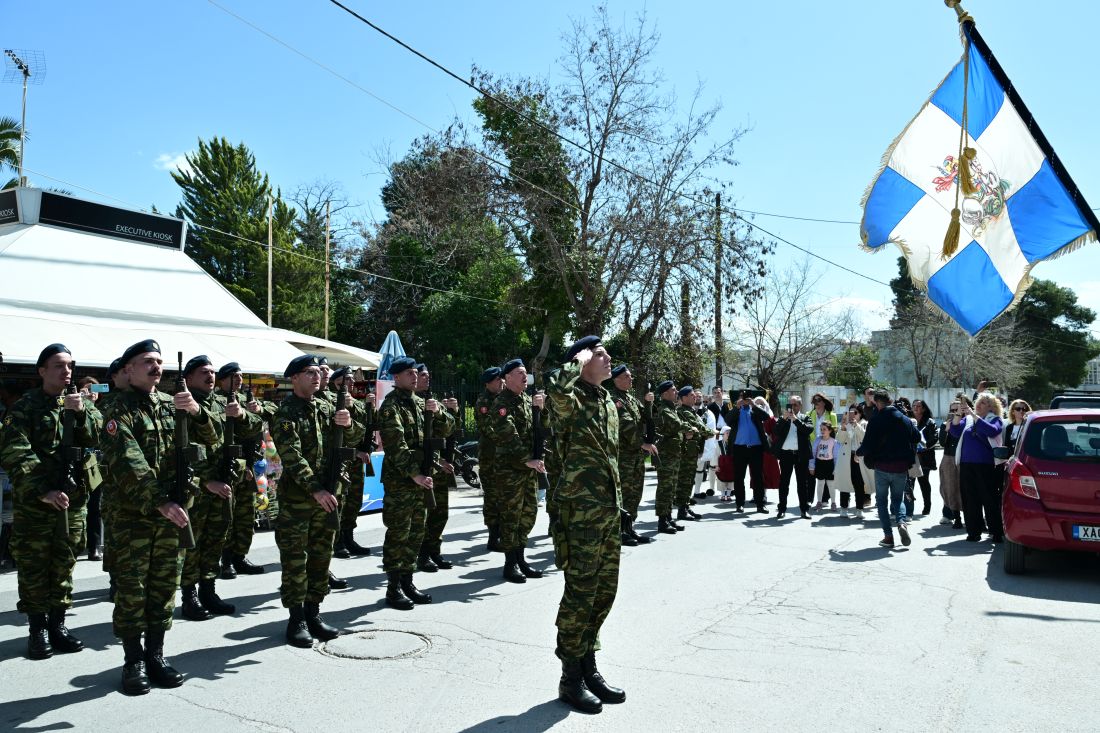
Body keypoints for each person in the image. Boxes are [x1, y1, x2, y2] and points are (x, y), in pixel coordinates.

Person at [100, 339, 219, 694]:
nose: (156, 367)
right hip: (134, 517)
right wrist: (160, 502)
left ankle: (156, 654)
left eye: (159, 361)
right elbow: (129, 462)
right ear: (128, 369)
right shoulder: (116, 409)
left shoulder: (173, 403)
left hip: (172, 514)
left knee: (165, 587)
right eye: (147, 361)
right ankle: (133, 660)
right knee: (133, 591)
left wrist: (197, 411)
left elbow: (212, 437)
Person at [0, 343, 103, 660]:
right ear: (42, 370)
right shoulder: (25, 407)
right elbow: (15, 452)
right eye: (58, 365)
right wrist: (43, 489)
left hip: (72, 502)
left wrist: (81, 412)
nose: (66, 370)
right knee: (34, 567)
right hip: (37, 504)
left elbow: (99, 435)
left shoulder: (80, 404)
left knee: (64, 563)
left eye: (70, 365)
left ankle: (58, 624)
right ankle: (37, 630)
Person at [546, 335, 626, 715]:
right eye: (600, 354)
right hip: (579, 513)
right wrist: (575, 359)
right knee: (580, 594)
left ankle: (589, 665)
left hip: (608, 511)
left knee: (603, 592)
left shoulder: (605, 399)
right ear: (580, 361)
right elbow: (555, 388)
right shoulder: (570, 398)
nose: (608, 359)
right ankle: (570, 676)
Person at [273, 354, 363, 645]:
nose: (316, 377)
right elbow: (292, 456)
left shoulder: (327, 406)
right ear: (294, 378)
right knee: (296, 561)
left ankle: (314, 613)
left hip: (327, 496)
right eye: (308, 372)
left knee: (321, 558)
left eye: (317, 372)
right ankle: (296, 619)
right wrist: (316, 488)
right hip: (299, 501)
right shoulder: (286, 412)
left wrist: (348, 423)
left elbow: (356, 437)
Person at [377, 357, 452, 607]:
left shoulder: (421, 404)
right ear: (396, 378)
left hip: (420, 479)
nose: (414, 376)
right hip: (401, 481)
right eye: (408, 373)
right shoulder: (390, 407)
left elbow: (448, 429)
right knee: (399, 533)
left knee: (416, 532)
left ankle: (408, 581)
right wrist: (415, 474)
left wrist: (439, 411)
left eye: (415, 373)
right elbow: (395, 446)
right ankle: (393, 587)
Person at [487, 358, 544, 583]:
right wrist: (525, 459)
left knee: (528, 515)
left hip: (527, 469)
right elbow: (508, 435)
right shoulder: (502, 403)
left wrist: (542, 409)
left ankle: (520, 559)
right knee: (511, 517)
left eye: (525, 373)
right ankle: (510, 564)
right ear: (507, 378)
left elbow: (539, 431)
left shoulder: (525, 401)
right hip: (510, 470)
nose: (524, 377)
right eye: (520, 373)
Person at [215, 363, 269, 579]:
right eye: (233, 376)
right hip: (229, 468)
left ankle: (240, 556)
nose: (238, 380)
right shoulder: (218, 402)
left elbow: (260, 421)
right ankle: (225, 560)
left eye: (239, 376)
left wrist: (256, 409)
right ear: (222, 380)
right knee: (227, 517)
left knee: (246, 516)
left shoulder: (247, 403)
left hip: (249, 467)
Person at [856, 389, 919, 549]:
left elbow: (867, 444)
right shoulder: (904, 419)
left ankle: (888, 537)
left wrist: (858, 453)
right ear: (890, 401)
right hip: (901, 467)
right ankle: (902, 522)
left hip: (882, 467)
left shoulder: (876, 420)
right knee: (898, 499)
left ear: (877, 403)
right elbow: (917, 437)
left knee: (882, 502)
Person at [414, 363, 460, 572]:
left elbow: (449, 429)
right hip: (421, 469)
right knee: (423, 516)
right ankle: (421, 555)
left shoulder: (432, 401)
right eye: (422, 375)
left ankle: (434, 551)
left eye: (427, 375)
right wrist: (437, 460)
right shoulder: (409, 404)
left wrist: (448, 412)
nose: (426, 378)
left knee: (440, 513)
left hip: (438, 470)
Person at [607, 364, 656, 545]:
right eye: (627, 377)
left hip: (635, 455)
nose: (630, 379)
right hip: (624, 455)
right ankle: (620, 530)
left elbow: (645, 417)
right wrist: (642, 443)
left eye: (630, 377)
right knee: (625, 492)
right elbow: (626, 425)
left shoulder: (631, 399)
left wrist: (649, 403)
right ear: (617, 379)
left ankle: (630, 527)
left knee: (636, 491)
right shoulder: (614, 399)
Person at [328, 366, 374, 560]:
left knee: (354, 501)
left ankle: (348, 537)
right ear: (337, 383)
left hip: (356, 460)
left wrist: (369, 407)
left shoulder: (358, 403)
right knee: (340, 502)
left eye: (352, 381)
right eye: (347, 380)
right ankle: (337, 541)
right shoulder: (331, 400)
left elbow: (365, 429)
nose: (351, 383)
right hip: (341, 459)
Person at [949, 392, 1005, 543]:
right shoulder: (968, 419)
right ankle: (974, 531)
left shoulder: (995, 419)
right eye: (978, 402)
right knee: (970, 499)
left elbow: (992, 431)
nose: (978, 405)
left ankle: (996, 531)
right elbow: (954, 431)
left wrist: (974, 415)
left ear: (992, 407)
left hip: (986, 466)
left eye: (983, 403)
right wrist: (958, 414)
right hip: (967, 465)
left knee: (989, 499)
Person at [724, 392, 771, 514]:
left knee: (758, 477)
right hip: (739, 448)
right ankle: (740, 504)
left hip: (756, 448)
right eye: (742, 398)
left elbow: (766, 417)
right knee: (739, 477)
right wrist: (736, 407)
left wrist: (754, 405)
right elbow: (727, 420)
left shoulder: (754, 409)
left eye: (746, 398)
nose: (744, 400)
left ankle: (760, 504)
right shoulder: (736, 411)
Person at [653, 381, 690, 534]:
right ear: (665, 393)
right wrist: (691, 428)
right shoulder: (664, 409)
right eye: (673, 390)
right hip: (666, 455)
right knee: (665, 488)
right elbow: (676, 424)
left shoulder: (671, 408)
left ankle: (668, 517)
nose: (676, 393)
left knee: (672, 487)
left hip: (673, 454)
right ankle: (662, 521)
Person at [475, 366, 505, 552]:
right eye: (496, 380)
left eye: (501, 378)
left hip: (503, 456)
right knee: (492, 497)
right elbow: (488, 429)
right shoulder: (483, 402)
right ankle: (493, 537)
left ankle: (501, 533)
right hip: (490, 456)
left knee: (503, 496)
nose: (500, 381)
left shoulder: (504, 398)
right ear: (488, 383)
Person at [77, 376, 105, 562]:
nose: (92, 392)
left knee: (95, 506)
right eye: (88, 388)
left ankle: (94, 546)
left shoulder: (102, 412)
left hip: (96, 464)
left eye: (95, 388)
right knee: (79, 505)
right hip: (79, 463)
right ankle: (78, 543)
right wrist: (81, 402)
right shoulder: (74, 409)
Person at [772, 395, 813, 519]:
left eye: (795, 405)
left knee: (802, 484)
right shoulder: (782, 418)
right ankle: (782, 509)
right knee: (784, 483)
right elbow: (776, 431)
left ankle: (804, 510)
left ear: (800, 405)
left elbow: (808, 430)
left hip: (800, 455)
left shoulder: (805, 417)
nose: (792, 407)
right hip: (786, 454)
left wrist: (795, 420)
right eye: (790, 405)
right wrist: (784, 419)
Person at [674, 387, 707, 522]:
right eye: (692, 395)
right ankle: (682, 509)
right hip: (686, 453)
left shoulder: (691, 411)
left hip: (692, 452)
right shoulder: (683, 412)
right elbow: (698, 428)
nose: (695, 397)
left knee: (689, 481)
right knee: (684, 481)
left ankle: (685, 507)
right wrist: (711, 432)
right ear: (684, 398)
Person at [834, 405, 865, 520]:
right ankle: (843, 507)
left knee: (859, 484)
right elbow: (840, 440)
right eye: (850, 412)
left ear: (860, 413)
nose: (853, 415)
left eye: (855, 412)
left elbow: (864, 437)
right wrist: (843, 427)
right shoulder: (845, 424)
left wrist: (856, 425)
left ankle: (859, 509)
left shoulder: (864, 423)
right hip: (846, 457)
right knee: (844, 481)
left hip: (859, 457)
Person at [938, 400, 963, 529]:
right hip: (949, 458)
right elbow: (942, 443)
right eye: (952, 410)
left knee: (963, 488)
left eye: (956, 410)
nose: (954, 413)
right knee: (949, 487)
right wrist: (946, 430)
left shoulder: (965, 423)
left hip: (963, 459)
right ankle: (954, 516)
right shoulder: (945, 424)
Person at [912, 399, 938, 515]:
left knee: (924, 482)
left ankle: (927, 506)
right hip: (911, 456)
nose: (916, 408)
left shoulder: (929, 422)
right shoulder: (909, 421)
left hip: (925, 456)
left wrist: (925, 446)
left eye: (918, 406)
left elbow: (935, 438)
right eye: (914, 406)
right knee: (909, 482)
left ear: (923, 408)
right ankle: (909, 508)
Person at [753, 397, 781, 495]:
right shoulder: (751, 417)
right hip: (753, 447)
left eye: (762, 404)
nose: (760, 406)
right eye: (757, 404)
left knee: (765, 471)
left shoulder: (771, 418)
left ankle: (763, 494)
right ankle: (756, 494)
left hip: (766, 449)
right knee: (755, 472)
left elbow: (776, 434)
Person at [810, 423, 838, 511]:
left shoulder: (834, 441)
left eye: (824, 429)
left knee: (831, 484)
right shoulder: (817, 440)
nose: (822, 431)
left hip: (829, 464)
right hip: (820, 464)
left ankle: (833, 503)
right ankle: (819, 502)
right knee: (820, 483)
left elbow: (836, 456)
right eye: (821, 429)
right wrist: (811, 466)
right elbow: (813, 453)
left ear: (829, 431)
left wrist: (836, 469)